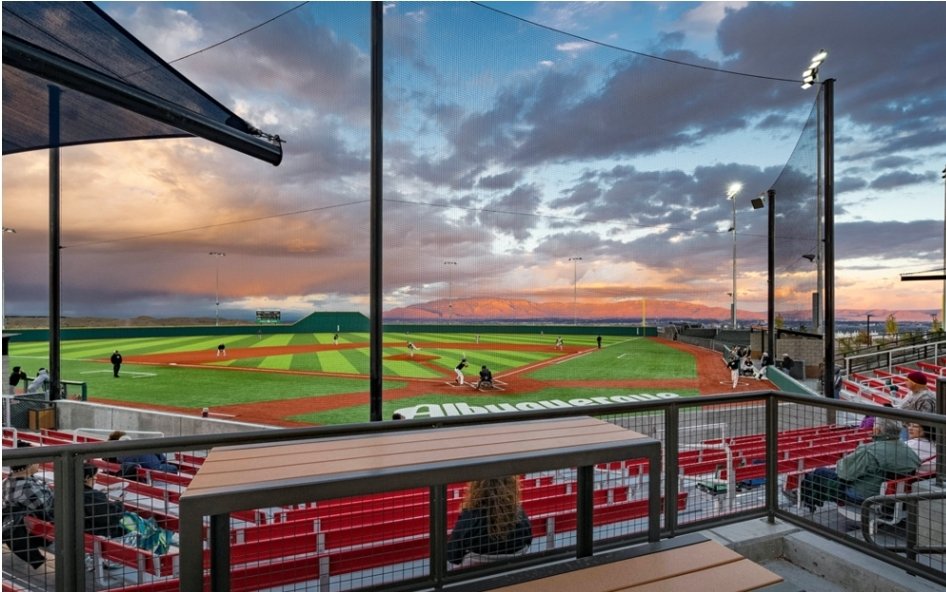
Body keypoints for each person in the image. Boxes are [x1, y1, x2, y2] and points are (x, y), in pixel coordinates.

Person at [797, 418, 920, 512]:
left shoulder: (869, 450)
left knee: (820, 472)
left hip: (866, 495)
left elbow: (844, 474)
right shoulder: (909, 450)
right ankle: (811, 500)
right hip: (897, 497)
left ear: (878, 430)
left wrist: (841, 465)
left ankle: (810, 501)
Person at [446, 476, 532, 566]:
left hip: (477, 577)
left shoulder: (469, 517)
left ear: (476, 487)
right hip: (513, 575)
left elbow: (453, 557)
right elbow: (528, 542)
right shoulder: (520, 515)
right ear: (511, 486)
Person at [2, 442, 55, 570]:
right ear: (28, 465)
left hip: (32, 529)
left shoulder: (6, 482)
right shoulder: (28, 488)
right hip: (43, 533)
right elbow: (51, 508)